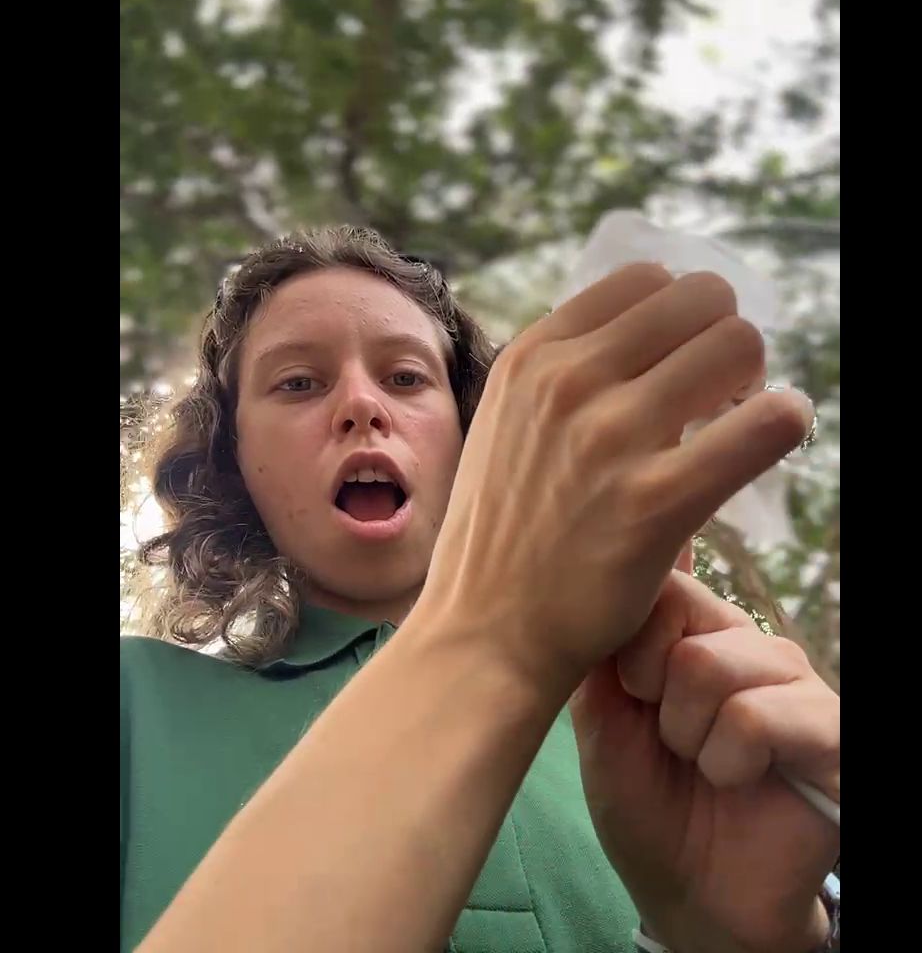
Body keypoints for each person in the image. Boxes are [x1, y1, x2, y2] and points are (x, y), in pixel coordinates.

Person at [120, 225, 840, 953]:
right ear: (233, 458)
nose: (361, 405)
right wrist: (494, 639)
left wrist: (741, 939)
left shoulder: (662, 736)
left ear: (474, 432)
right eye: (299, 383)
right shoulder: (136, 700)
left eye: (407, 378)